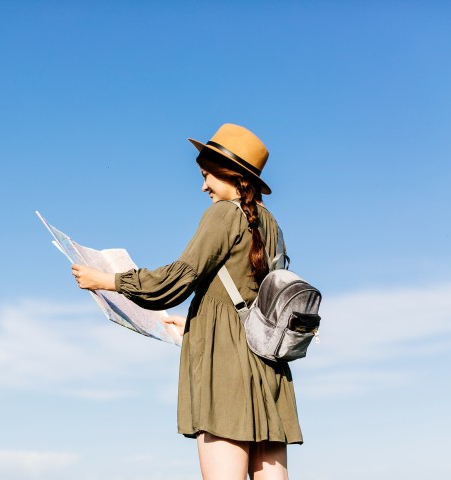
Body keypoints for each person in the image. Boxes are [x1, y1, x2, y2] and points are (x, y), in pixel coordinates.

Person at [72, 124, 301, 480]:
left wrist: (108, 281)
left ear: (230, 174)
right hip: (267, 368)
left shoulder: (224, 214)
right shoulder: (272, 225)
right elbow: (246, 298)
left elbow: (178, 279)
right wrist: (192, 325)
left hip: (226, 367)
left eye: (207, 175)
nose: (204, 185)